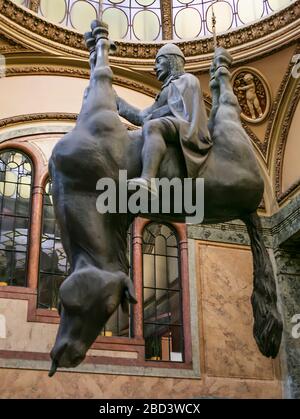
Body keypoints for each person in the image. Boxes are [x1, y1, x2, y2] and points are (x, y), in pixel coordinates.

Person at [116, 43, 212, 195]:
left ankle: (148, 179)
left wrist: (154, 116)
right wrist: (118, 102)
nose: (155, 67)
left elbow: (181, 110)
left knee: (154, 127)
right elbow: (143, 116)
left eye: (159, 61)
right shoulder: (166, 89)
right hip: (175, 126)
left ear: (172, 60)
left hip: (190, 128)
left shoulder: (188, 79)